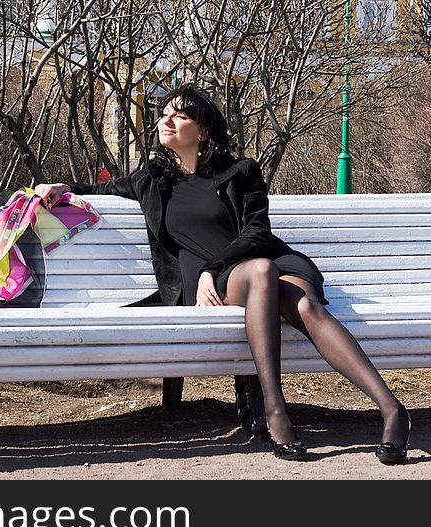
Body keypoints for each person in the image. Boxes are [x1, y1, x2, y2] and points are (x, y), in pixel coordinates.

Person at [35, 84, 411, 464]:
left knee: (306, 307)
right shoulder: (151, 178)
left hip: (264, 262)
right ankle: (276, 408)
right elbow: (99, 189)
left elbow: (258, 232)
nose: (166, 119)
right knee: (261, 273)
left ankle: (392, 410)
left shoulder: (240, 172)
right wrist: (63, 188)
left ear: (203, 131)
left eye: (179, 115)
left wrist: (212, 267)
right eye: (164, 113)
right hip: (227, 280)